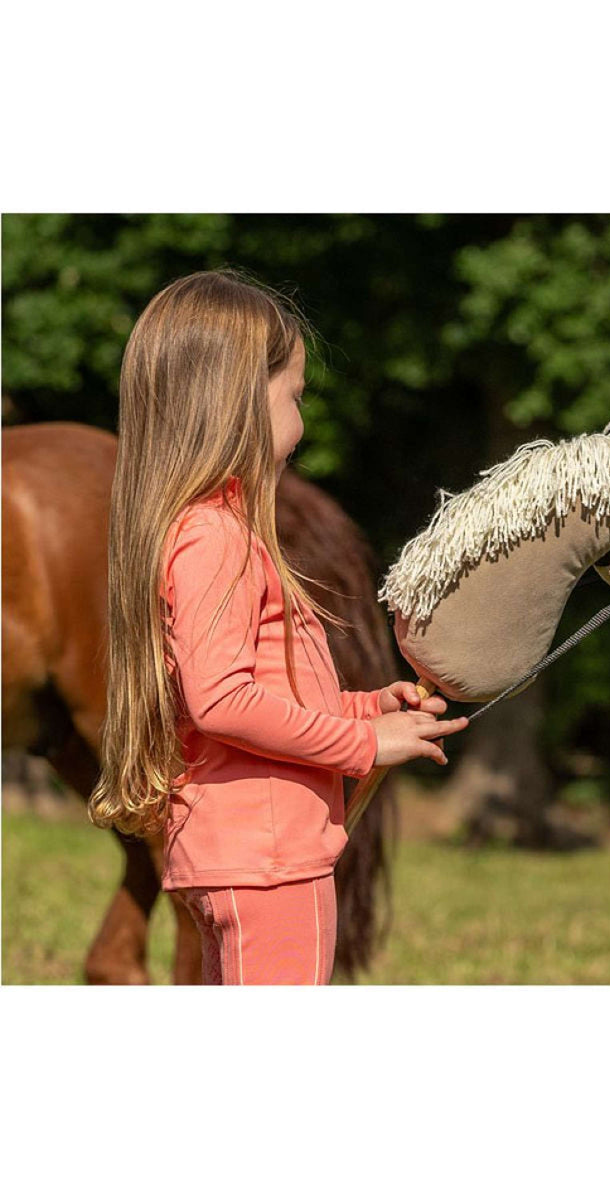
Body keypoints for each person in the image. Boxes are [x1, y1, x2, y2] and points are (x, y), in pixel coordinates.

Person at [88, 269, 468, 984]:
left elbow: (256, 688)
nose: (303, 423)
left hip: (244, 854)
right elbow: (222, 700)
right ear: (237, 403)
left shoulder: (214, 529)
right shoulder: (214, 537)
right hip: (269, 864)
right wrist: (361, 742)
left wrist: (366, 706)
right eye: (295, 397)